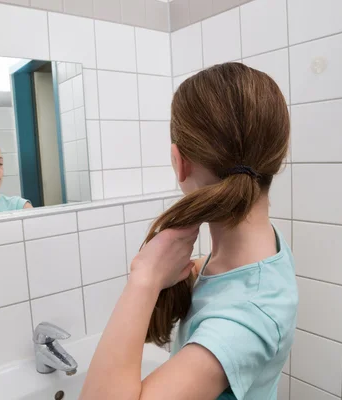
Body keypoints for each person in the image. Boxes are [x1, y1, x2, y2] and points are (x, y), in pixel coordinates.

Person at [80, 62, 298, 400]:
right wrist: (193, 268)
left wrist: (145, 277)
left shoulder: (243, 322)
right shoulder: (261, 250)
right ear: (276, 155)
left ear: (179, 162)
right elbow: (233, 285)